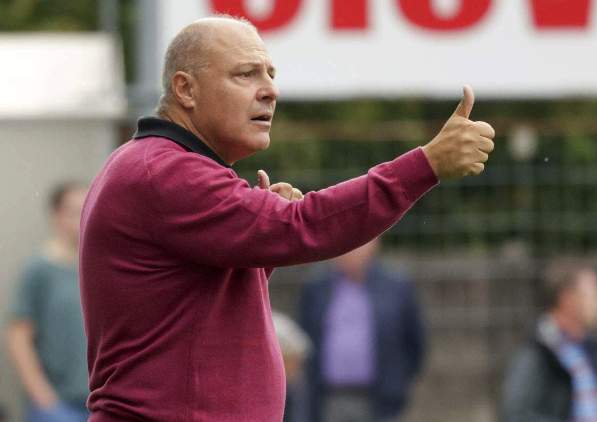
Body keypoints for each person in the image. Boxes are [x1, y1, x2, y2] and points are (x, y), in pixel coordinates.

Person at [78, 15, 495, 422]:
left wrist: (258, 246)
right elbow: (303, 226)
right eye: (246, 74)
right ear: (185, 89)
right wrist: (425, 165)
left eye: (271, 74)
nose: (270, 90)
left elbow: (192, 311)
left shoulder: (157, 165)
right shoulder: (166, 171)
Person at [299, 239, 425, 422]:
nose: (353, 250)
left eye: (360, 243)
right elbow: (304, 339)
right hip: (328, 398)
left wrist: (398, 381)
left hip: (381, 399)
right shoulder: (316, 287)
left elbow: (415, 343)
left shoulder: (396, 286)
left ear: (375, 243)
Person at [6, 182, 89, 422]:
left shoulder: (98, 269)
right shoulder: (39, 270)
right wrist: (45, 399)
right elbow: (18, 337)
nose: (82, 218)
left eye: (87, 209)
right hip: (59, 406)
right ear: (57, 216)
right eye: (75, 212)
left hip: (98, 403)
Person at [501, 262, 597, 422]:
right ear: (568, 298)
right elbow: (516, 415)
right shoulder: (538, 351)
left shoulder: (588, 348)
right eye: (593, 293)